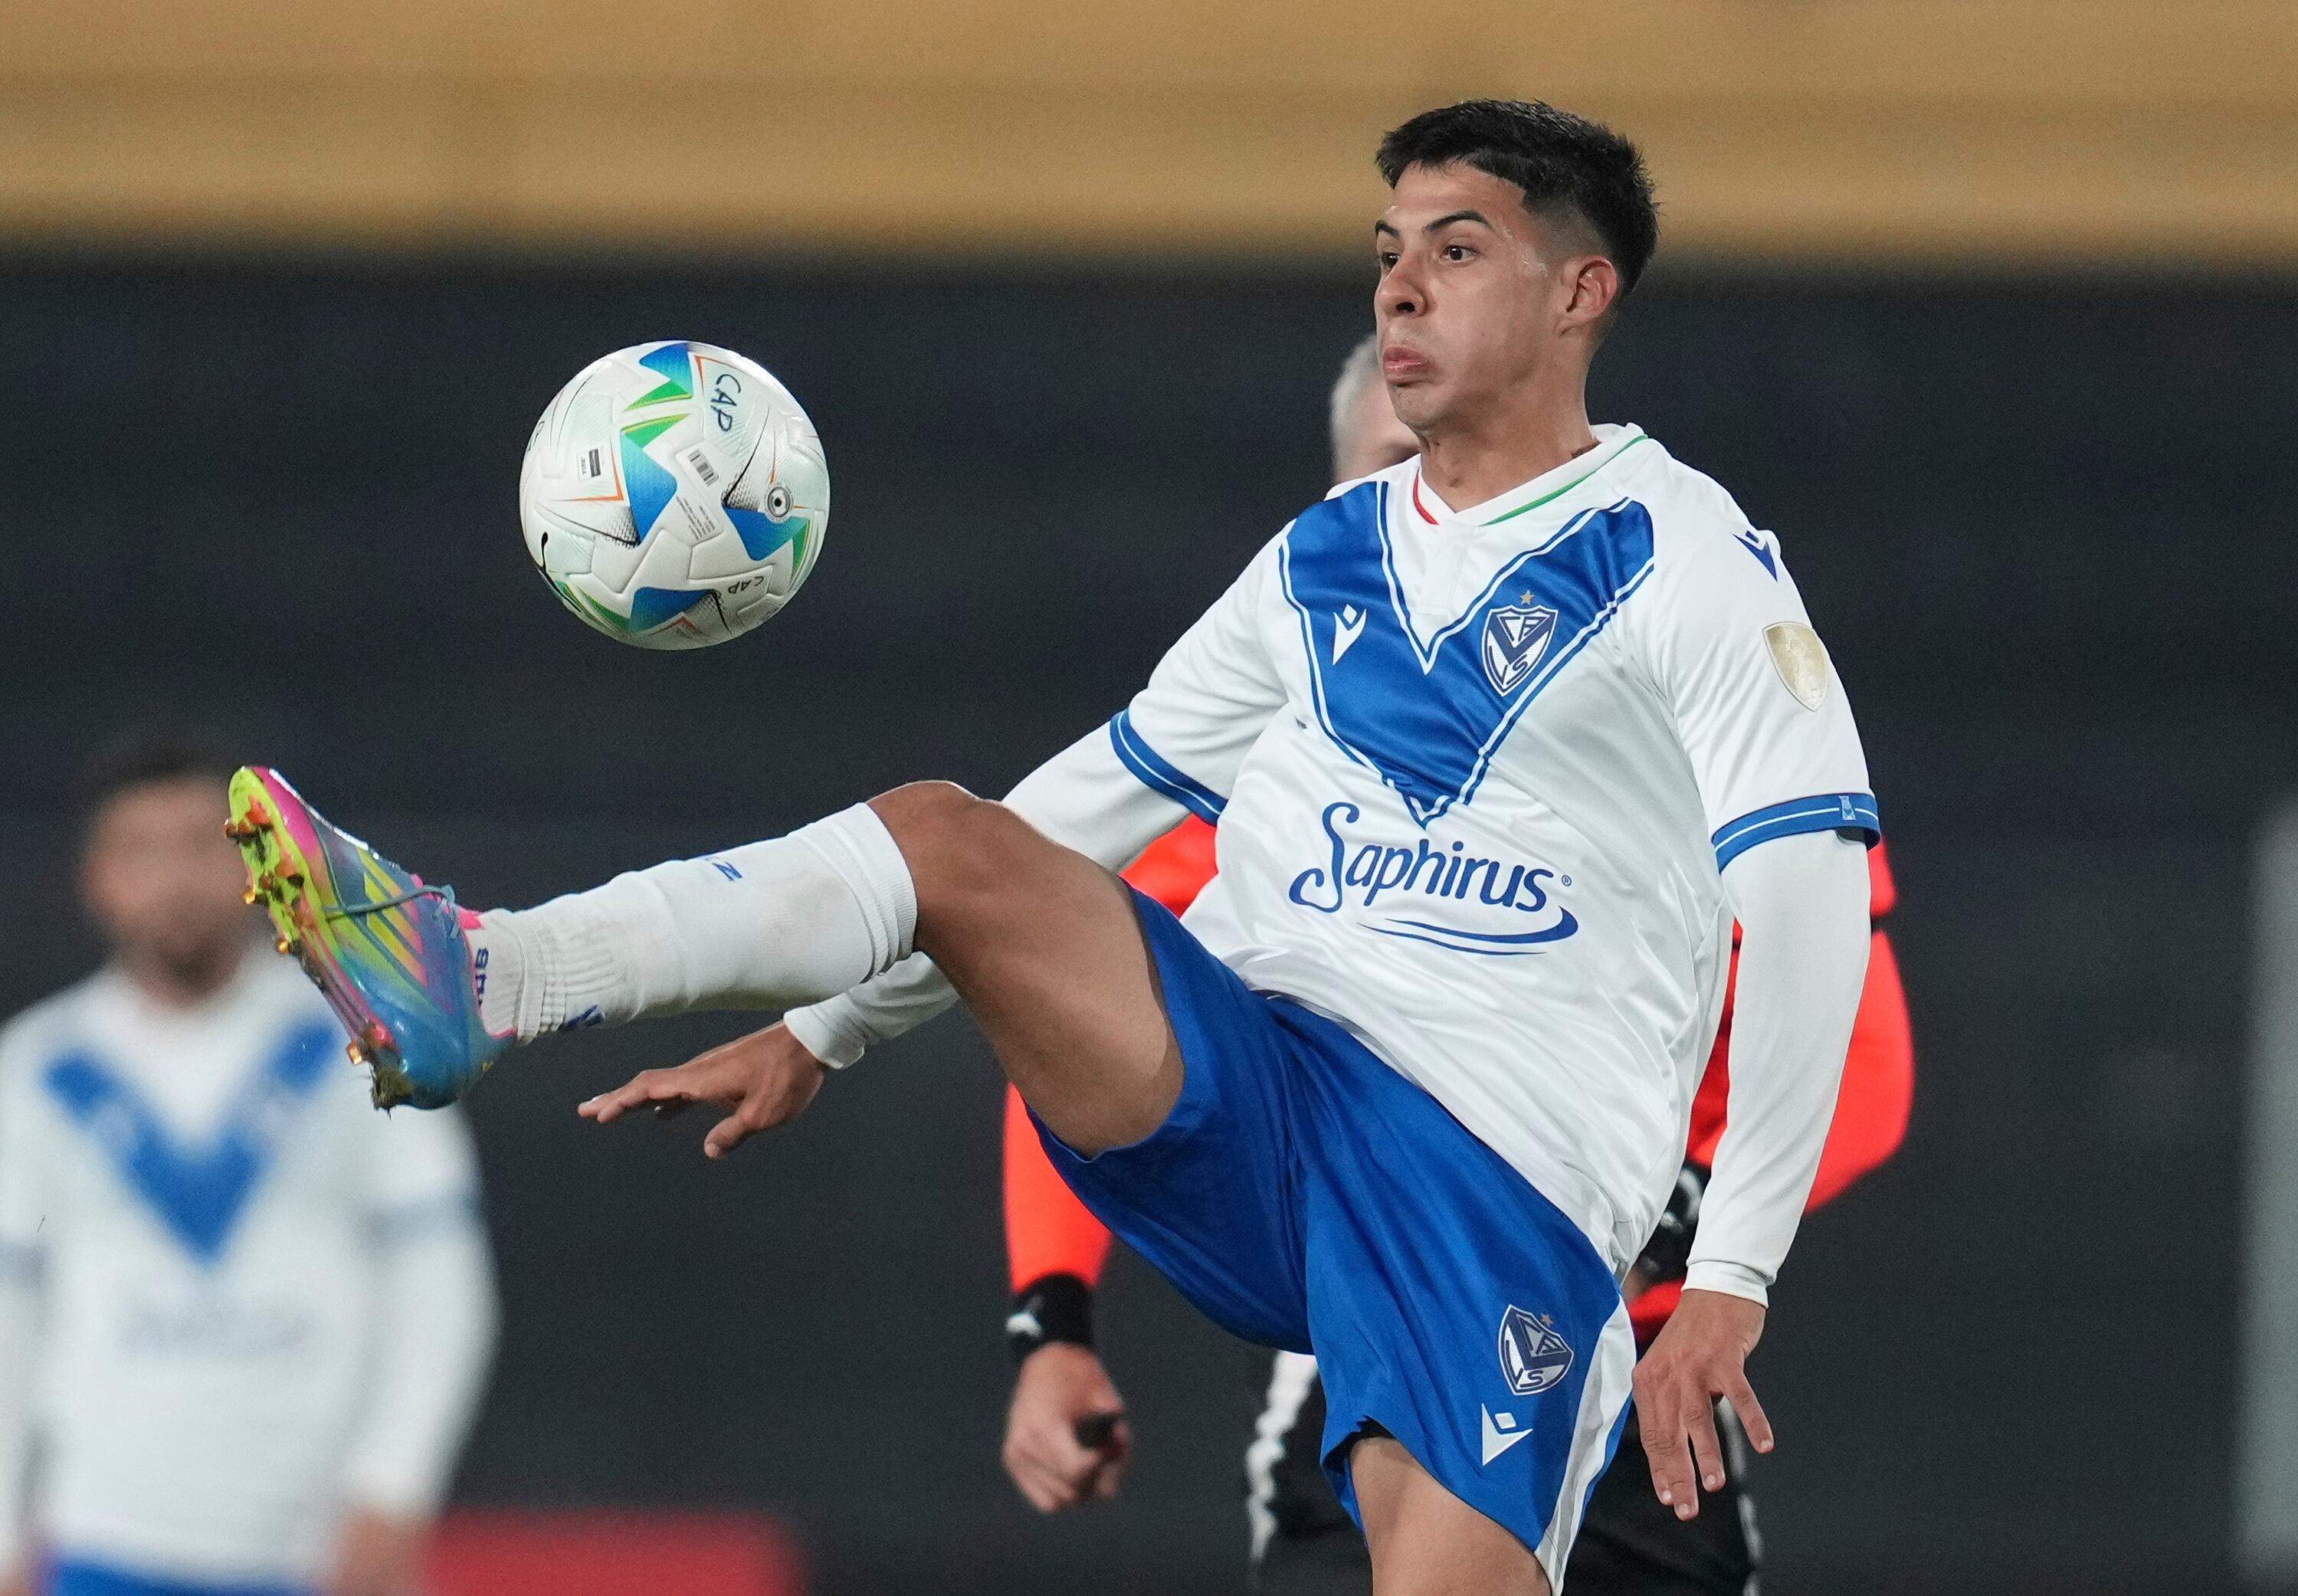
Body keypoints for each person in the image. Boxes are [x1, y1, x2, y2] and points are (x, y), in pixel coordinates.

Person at [225, 100, 1878, 1596]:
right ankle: (493, 970)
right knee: (955, 838)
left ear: (1581, 295)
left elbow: (1800, 897)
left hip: (1496, 1179)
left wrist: (1729, 1271)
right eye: (1385, 255)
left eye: (1456, 253)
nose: (1398, 292)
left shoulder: (1689, 557)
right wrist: (824, 1032)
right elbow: (1084, 804)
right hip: (1270, 1097)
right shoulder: (1325, 552)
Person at [996, 342, 1916, 1595]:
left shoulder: (1694, 724)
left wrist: (1684, 1217)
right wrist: (1050, 1319)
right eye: (1402, 466)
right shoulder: (1271, 776)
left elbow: (1861, 1062)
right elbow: (1082, 1012)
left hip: (1633, 1398)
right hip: (1375, 1358)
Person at [0, 742, 498, 1596]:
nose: (175, 878)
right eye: (142, 852)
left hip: (321, 1555)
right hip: (103, 1543)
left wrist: (395, 1487)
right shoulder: (38, 1067)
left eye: (201, 844)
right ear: (98, 879)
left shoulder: (362, 1040)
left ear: (256, 861)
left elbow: (441, 1284)